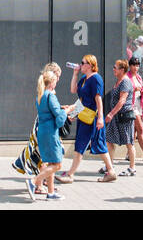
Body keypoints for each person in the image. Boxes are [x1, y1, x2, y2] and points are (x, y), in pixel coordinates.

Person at [56, 55, 117, 184]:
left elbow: (98, 99)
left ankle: (70, 174)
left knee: (81, 144)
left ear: (90, 65)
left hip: (92, 118)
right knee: (99, 144)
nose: (80, 64)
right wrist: (75, 74)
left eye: (83, 63)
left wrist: (100, 118)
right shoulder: (84, 79)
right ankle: (111, 171)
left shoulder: (96, 79)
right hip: (85, 116)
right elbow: (75, 91)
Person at [33, 67, 67, 201]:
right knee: (57, 165)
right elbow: (59, 120)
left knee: (51, 162)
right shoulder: (50, 96)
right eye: (55, 80)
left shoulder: (40, 96)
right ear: (51, 82)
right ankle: (34, 181)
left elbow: (48, 113)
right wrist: (66, 111)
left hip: (42, 130)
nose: (56, 83)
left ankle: (51, 192)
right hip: (51, 132)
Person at [103, 59, 137, 177]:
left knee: (129, 142)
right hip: (116, 117)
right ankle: (109, 165)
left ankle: (132, 168)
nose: (113, 69)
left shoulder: (125, 82)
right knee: (109, 139)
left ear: (122, 70)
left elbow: (122, 101)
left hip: (124, 116)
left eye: (115, 67)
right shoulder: (118, 81)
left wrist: (111, 114)